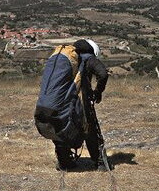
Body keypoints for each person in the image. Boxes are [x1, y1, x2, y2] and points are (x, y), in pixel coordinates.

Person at [34, 38, 109, 170]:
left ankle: (65, 163)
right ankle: (100, 163)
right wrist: (98, 92)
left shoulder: (65, 58)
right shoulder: (88, 58)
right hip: (78, 101)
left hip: (55, 103)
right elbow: (103, 74)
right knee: (90, 129)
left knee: (61, 128)